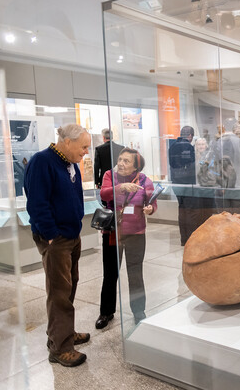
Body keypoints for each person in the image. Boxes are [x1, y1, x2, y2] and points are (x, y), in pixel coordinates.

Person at [23, 124, 91, 367]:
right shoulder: (42, 162)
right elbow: (37, 204)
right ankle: (60, 348)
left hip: (71, 235)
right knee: (59, 292)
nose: (86, 152)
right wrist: (51, 235)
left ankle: (62, 333)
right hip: (56, 239)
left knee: (69, 285)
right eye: (83, 147)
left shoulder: (69, 163)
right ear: (68, 142)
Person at [96, 148, 157, 328]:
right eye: (120, 160)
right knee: (110, 274)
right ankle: (106, 312)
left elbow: (152, 202)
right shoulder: (109, 175)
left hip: (136, 233)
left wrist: (150, 209)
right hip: (113, 232)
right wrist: (121, 187)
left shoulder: (145, 181)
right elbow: (104, 193)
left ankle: (139, 311)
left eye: (126, 161)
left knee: (135, 274)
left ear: (136, 166)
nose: (121, 164)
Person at [168, 126, 204, 245]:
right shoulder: (188, 146)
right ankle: (190, 239)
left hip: (176, 183)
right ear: (190, 136)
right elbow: (191, 166)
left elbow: (172, 164)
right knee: (190, 212)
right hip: (188, 184)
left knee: (182, 210)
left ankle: (183, 239)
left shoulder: (172, 146)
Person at [210, 120, 240, 215]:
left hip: (222, 187)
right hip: (239, 186)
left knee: (224, 219)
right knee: (238, 218)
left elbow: (213, 166)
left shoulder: (216, 143)